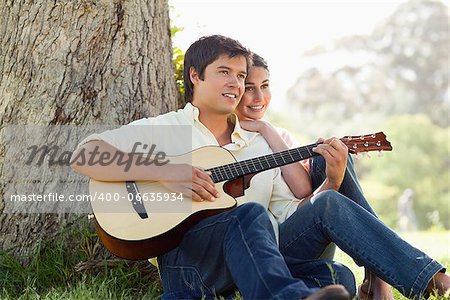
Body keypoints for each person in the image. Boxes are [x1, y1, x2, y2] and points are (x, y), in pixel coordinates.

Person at [71, 35, 351, 300]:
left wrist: (331, 182)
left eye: (241, 76)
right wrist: (164, 172)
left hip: (241, 266)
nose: (236, 83)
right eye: (224, 72)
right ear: (195, 75)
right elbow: (85, 155)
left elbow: (288, 211)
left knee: (337, 276)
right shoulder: (166, 128)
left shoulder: (258, 144)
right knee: (250, 214)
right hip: (186, 266)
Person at [234, 52, 450, 299]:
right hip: (267, 249)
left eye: (264, 86)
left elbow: (304, 197)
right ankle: (391, 277)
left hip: (304, 235)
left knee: (328, 156)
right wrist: (264, 128)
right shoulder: (229, 143)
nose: (259, 98)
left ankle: (378, 275)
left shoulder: (280, 136)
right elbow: (315, 205)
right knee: (341, 275)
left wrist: (270, 131)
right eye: (249, 88)